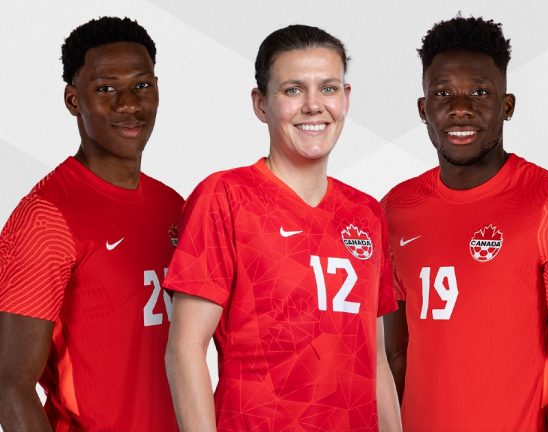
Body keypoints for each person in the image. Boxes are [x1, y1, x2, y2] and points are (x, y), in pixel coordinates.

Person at [164, 24, 401, 431]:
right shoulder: (225, 197)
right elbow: (185, 348)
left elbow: (374, 356)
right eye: (293, 90)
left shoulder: (366, 213)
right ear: (261, 104)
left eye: (328, 88)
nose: (313, 105)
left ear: (346, 98)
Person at [382, 15, 548, 431]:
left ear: (507, 106)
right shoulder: (394, 211)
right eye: (443, 93)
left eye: (480, 92)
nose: (461, 108)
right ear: (423, 108)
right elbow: (395, 357)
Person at [0, 17, 181, 431]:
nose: (128, 104)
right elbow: (10, 386)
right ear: (73, 100)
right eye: (105, 89)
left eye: (142, 85)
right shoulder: (45, 219)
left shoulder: (174, 206)